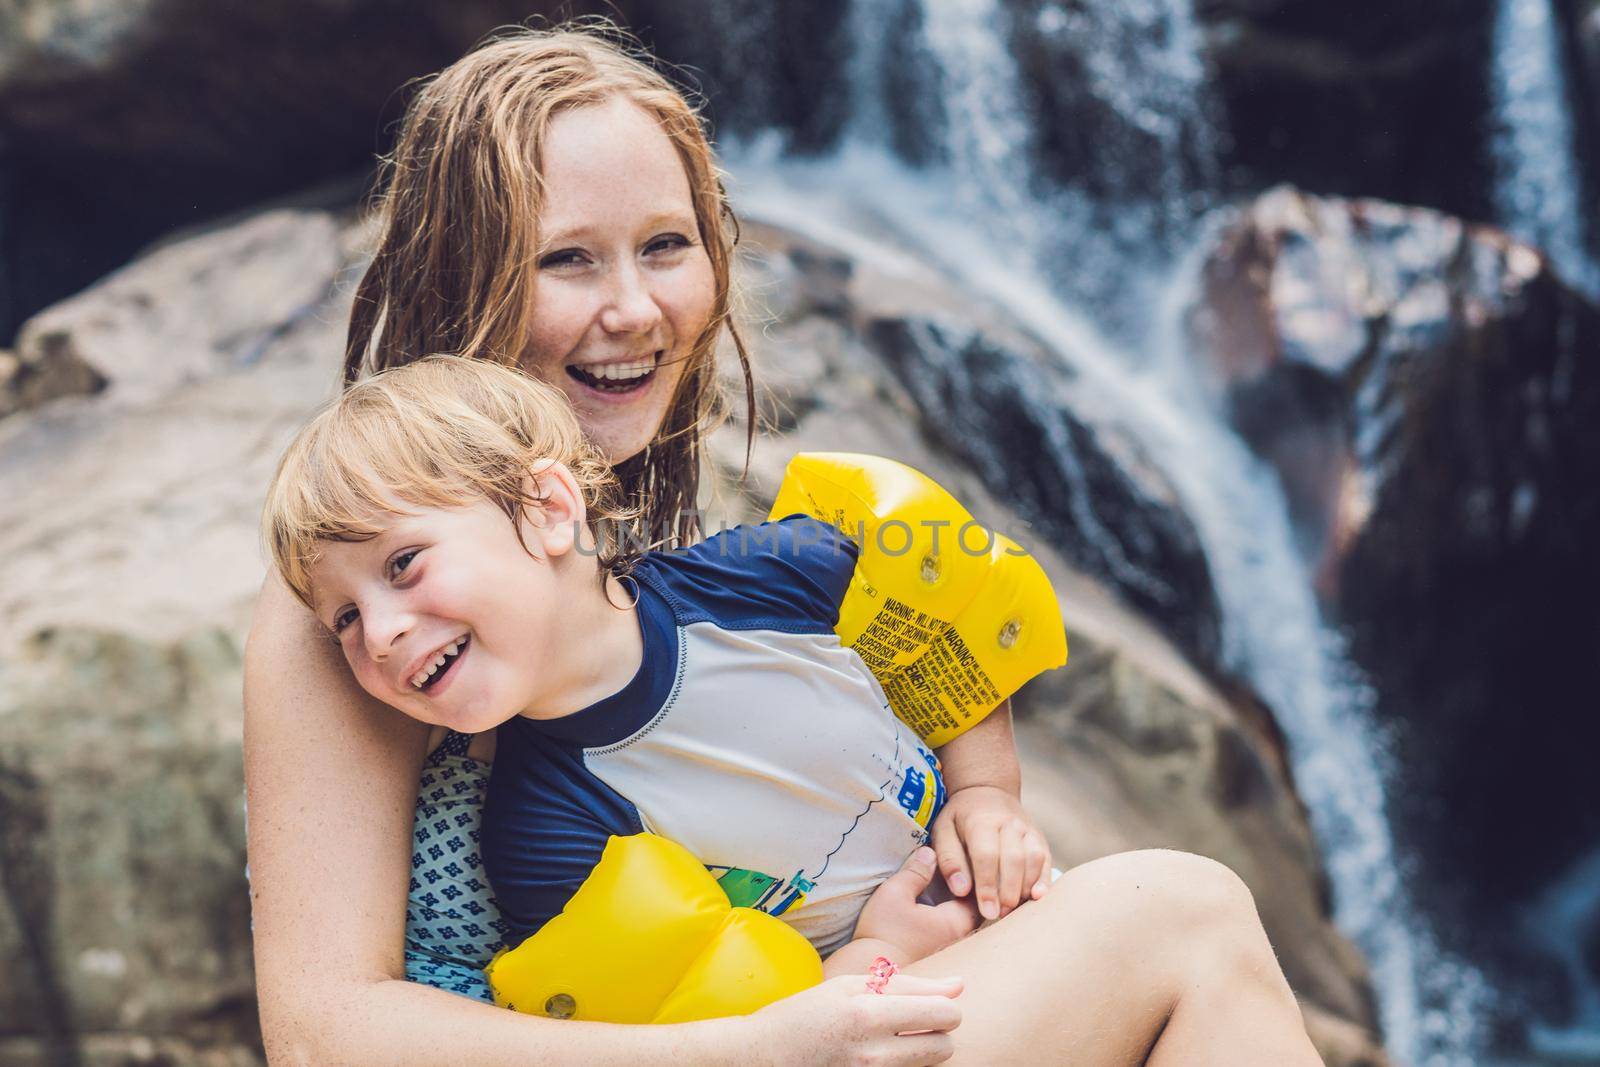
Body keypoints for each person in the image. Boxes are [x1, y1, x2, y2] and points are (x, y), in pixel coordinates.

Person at [244, 23, 1322, 1066]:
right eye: (566, 260)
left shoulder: (659, 554)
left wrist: (951, 853)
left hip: (806, 1011)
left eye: (666, 246)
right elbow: (323, 1034)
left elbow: (927, 638)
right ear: (464, 276)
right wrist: (759, 1044)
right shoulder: (354, 614)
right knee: (1183, 914)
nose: (634, 307)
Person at [261, 356, 1017, 978]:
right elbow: (703, 1019)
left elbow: (949, 619)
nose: (381, 635)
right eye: (346, 619)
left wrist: (987, 795)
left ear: (548, 508)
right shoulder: (546, 835)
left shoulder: (751, 577)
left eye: (402, 563)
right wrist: (875, 961)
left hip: (1010, 898)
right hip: (898, 1017)